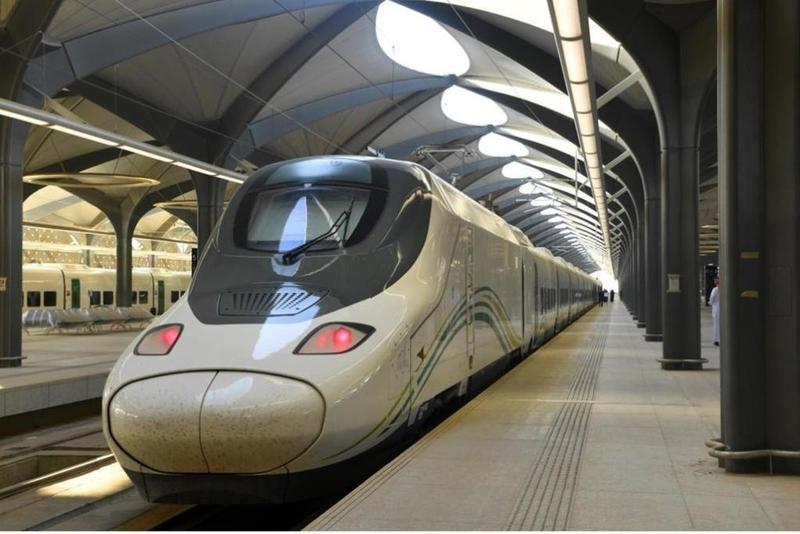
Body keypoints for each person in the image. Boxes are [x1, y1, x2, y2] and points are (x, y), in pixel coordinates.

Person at [709, 276, 720, 346]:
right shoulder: (724, 289)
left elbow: (712, 299)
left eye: (715, 280)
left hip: (716, 309)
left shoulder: (715, 289)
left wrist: (710, 302)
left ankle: (716, 340)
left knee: (716, 325)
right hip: (722, 308)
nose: (714, 281)